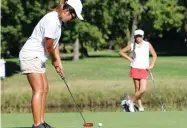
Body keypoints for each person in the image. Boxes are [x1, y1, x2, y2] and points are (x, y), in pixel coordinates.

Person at [19, 0, 83, 127]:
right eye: (73, 16)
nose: (72, 19)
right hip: (31, 55)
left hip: (38, 56)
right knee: (38, 89)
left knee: (44, 88)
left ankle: (41, 122)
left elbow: (55, 43)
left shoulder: (57, 21)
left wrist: (58, 61)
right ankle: (37, 125)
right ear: (66, 11)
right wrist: (54, 61)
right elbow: (49, 46)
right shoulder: (51, 20)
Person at [119, 29, 157, 112]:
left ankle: (130, 102)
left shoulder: (147, 44)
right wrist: (129, 58)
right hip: (135, 68)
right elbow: (121, 52)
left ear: (143, 36)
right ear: (135, 37)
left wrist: (151, 65)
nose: (138, 38)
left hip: (144, 69)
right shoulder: (132, 45)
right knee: (137, 88)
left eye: (140, 36)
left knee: (143, 89)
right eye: (137, 36)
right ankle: (140, 106)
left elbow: (154, 55)